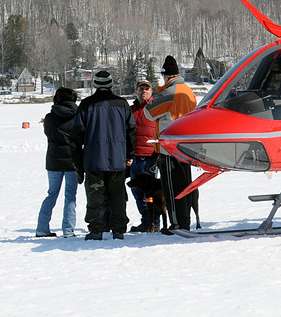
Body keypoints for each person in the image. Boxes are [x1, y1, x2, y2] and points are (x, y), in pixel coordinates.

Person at [70, 69, 135, 241]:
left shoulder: (86, 104)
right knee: (118, 196)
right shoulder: (122, 104)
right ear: (112, 84)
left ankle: (96, 229)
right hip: (117, 158)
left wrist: (79, 161)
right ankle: (119, 229)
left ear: (95, 85)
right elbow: (131, 131)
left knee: (95, 197)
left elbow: (76, 135)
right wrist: (130, 153)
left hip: (93, 159)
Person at [145, 55, 197, 229]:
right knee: (185, 187)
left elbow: (149, 112)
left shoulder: (169, 92)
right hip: (186, 146)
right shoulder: (188, 91)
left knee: (171, 188)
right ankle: (185, 221)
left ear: (166, 76)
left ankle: (176, 223)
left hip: (169, 148)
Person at [37, 87, 79, 238]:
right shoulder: (78, 116)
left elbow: (49, 134)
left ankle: (42, 228)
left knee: (51, 194)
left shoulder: (49, 117)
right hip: (72, 160)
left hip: (53, 160)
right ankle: (68, 230)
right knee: (70, 196)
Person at [128, 79, 159, 232]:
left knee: (151, 192)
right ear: (136, 91)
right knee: (137, 192)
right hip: (134, 157)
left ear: (151, 91)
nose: (144, 91)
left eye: (147, 89)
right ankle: (145, 220)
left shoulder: (156, 108)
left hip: (151, 157)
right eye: (141, 89)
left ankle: (154, 221)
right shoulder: (131, 110)